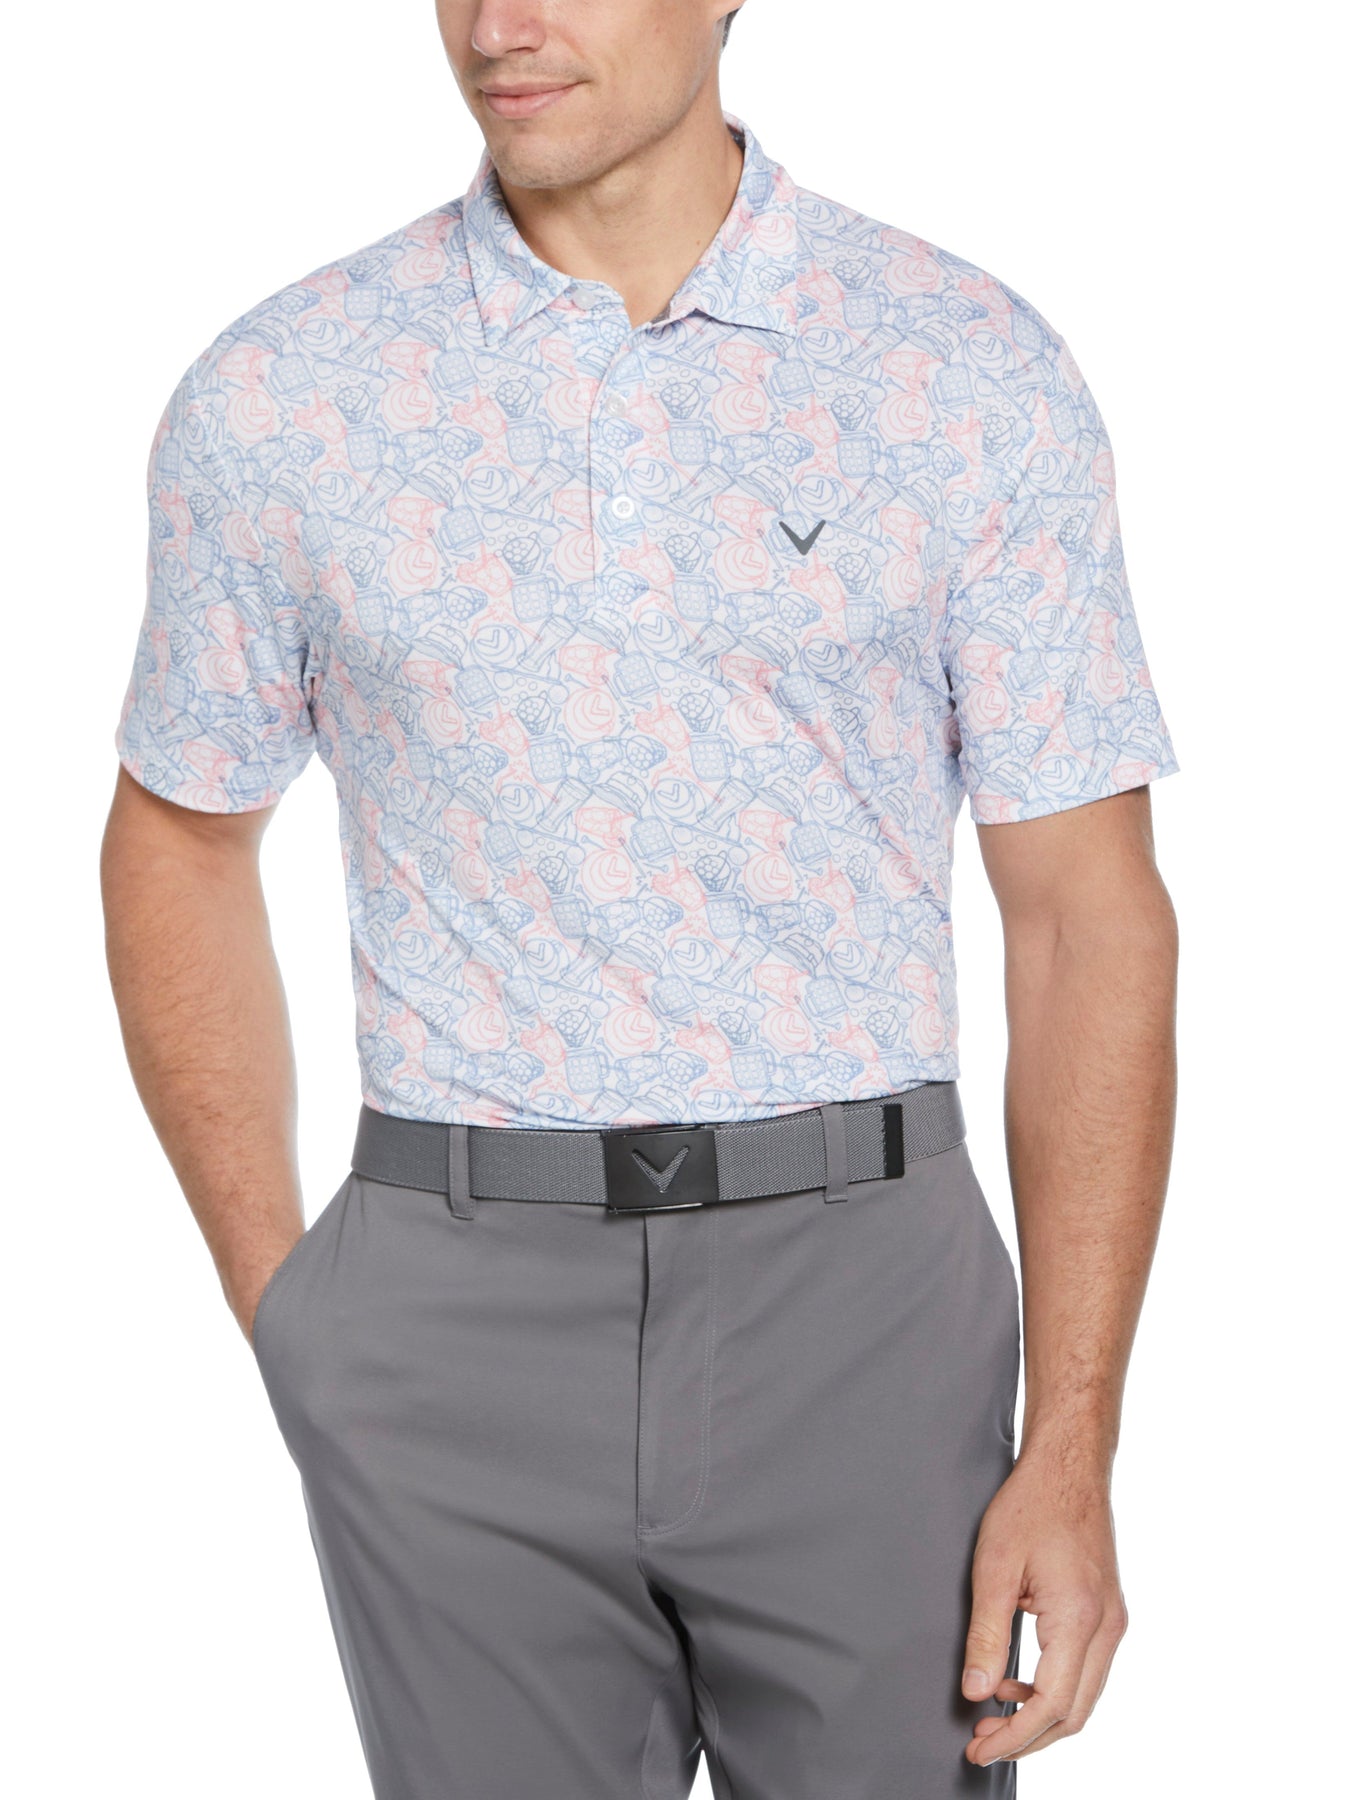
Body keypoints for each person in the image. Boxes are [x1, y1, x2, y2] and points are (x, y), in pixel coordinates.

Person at [100, 2, 1180, 1794]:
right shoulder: (285, 391)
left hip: (864, 1311)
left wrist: (1073, 1441)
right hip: (444, 1311)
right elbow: (178, 830)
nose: (498, 24)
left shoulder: (958, 367)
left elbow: (1086, 914)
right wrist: (289, 1305)